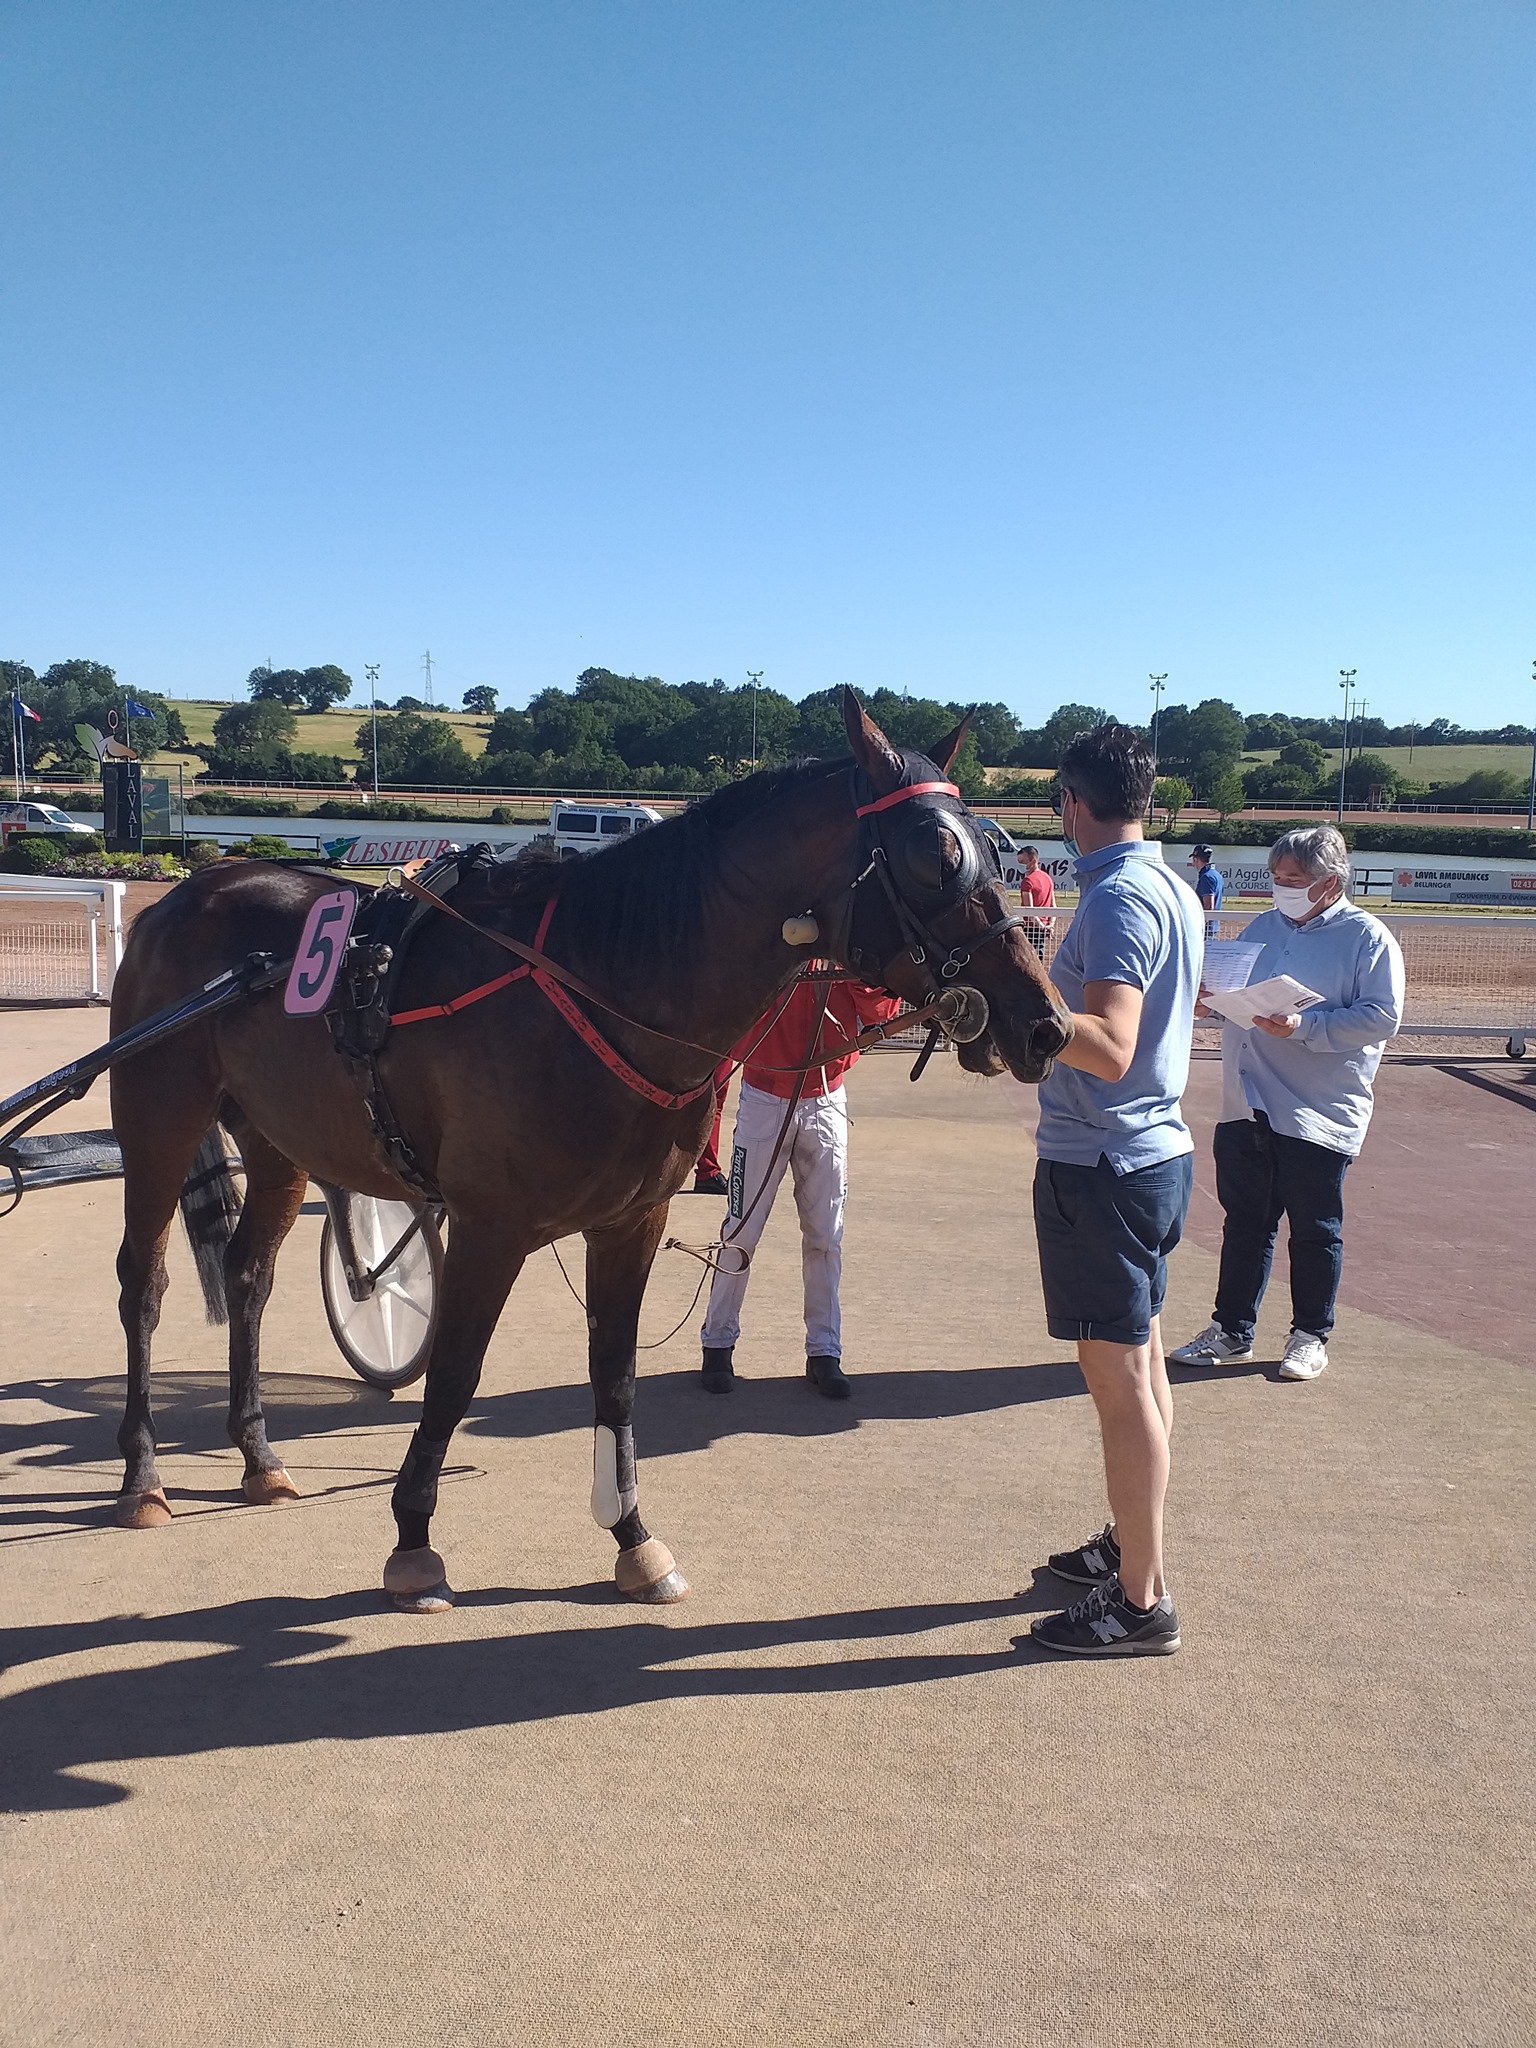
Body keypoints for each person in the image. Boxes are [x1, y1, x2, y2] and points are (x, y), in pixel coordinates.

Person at [1026, 723, 1203, 1660]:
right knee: (1144, 1367)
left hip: (1105, 1164)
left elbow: (1111, 1045)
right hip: (1148, 1158)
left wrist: (1023, 1005)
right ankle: (1133, 1551)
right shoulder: (1170, 883)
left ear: (1073, 802)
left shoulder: (1118, 899)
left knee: (1120, 1379)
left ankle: (1141, 1602)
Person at [1169, 825, 1404, 1382]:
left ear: (1331, 881)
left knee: (1316, 1226)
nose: (1282, 889)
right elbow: (1236, 992)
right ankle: (1231, 1331)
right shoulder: (1261, 925)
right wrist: (1212, 1002)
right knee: (1245, 1223)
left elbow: (1382, 1017)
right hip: (1246, 1098)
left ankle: (1309, 1335)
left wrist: (1303, 1025)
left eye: (1294, 881)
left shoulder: (1367, 939)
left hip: (1319, 1106)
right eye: (1277, 879)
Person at [699, 972, 901, 1399]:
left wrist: (870, 979)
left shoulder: (845, 944)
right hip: (762, 1099)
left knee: (826, 1236)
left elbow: (881, 1011)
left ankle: (824, 1351)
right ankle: (717, 1342)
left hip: (826, 1100)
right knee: (741, 1229)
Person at [1017, 845, 1056, 957]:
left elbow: (1030, 911)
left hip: (1031, 928)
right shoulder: (1048, 878)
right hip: (1042, 926)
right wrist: (1050, 925)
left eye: (1023, 861)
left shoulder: (1028, 881)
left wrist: (1043, 928)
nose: (1021, 865)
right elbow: (1053, 906)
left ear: (1033, 860)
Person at [1191, 845, 1225, 938]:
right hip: (1212, 925)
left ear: (1196, 859)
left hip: (1206, 928)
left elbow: (1209, 906)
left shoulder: (1207, 877)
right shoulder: (1216, 874)